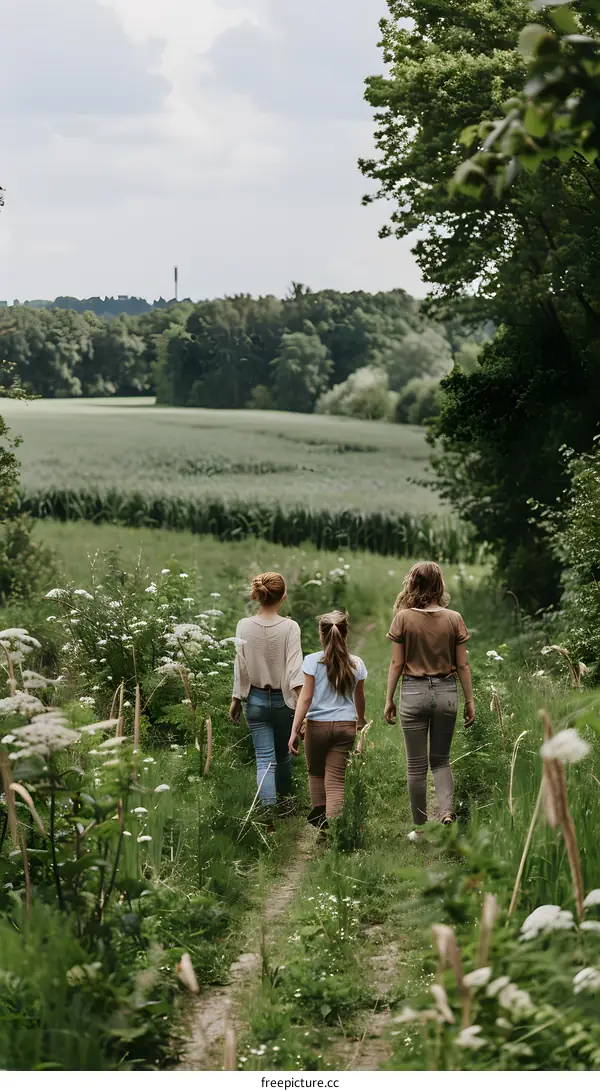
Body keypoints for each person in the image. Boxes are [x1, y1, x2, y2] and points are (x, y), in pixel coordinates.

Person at [384, 561, 475, 830]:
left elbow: (397, 665)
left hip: (413, 693)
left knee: (415, 766)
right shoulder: (454, 618)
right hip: (446, 693)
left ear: (413, 584)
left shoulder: (402, 618)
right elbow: (462, 665)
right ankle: (446, 811)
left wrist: (389, 699)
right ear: (440, 585)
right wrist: (469, 700)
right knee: (441, 760)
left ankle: (421, 828)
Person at [230, 572, 304, 810]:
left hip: (255, 700)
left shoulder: (243, 626)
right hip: (285, 701)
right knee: (283, 756)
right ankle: (286, 805)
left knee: (264, 759)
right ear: (283, 596)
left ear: (257, 596)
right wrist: (305, 708)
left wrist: (236, 699)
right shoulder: (291, 627)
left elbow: (240, 667)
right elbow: (295, 671)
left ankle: (268, 818)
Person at [289, 610, 367, 828]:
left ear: (321, 635)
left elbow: (305, 698)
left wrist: (295, 729)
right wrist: (360, 720)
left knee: (316, 774)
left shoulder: (312, 661)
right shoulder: (356, 664)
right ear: (345, 634)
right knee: (335, 780)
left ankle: (323, 831)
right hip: (345, 727)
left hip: (316, 727)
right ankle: (336, 833)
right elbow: (359, 697)